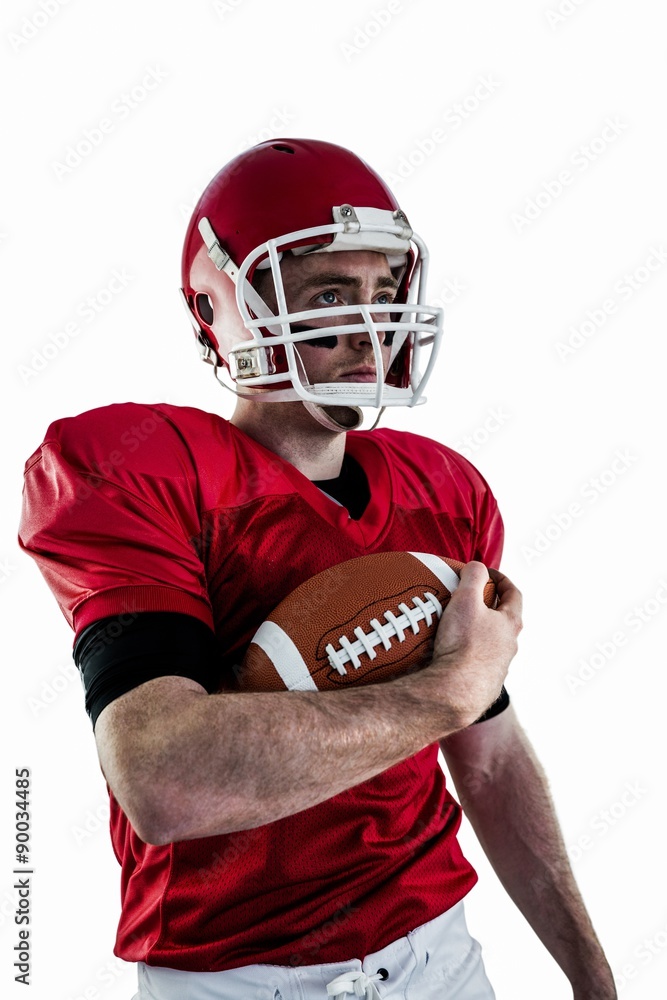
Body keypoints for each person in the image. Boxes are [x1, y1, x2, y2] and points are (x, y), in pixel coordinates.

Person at [19, 138, 616, 1000]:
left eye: (382, 293)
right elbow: (166, 780)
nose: (370, 326)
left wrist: (593, 980)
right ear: (225, 311)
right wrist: (446, 694)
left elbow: (486, 763)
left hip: (438, 956)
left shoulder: (441, 491)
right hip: (232, 976)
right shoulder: (140, 469)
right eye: (329, 294)